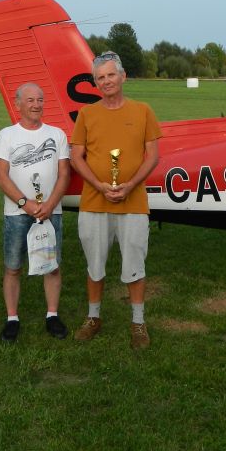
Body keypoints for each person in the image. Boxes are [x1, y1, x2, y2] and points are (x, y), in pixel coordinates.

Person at [69, 51, 161, 349]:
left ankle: (138, 322)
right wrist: (98, 185)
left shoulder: (143, 111)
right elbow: (76, 156)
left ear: (123, 77)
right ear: (95, 83)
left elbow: (153, 155)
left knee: (135, 264)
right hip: (94, 202)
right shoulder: (87, 114)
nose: (106, 81)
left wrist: (130, 185)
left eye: (111, 75)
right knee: (94, 264)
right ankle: (93, 317)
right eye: (100, 77)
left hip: (133, 202)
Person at [0, 82, 71, 342]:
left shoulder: (57, 134)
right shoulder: (7, 135)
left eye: (40, 100)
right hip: (17, 213)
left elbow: (64, 174)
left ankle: (52, 315)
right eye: (30, 100)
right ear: (18, 104)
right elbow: (1, 176)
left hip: (50, 212)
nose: (36, 105)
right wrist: (24, 203)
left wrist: (50, 205)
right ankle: (12, 318)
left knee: (52, 266)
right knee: (13, 267)